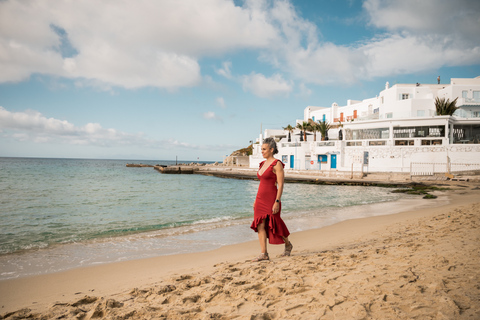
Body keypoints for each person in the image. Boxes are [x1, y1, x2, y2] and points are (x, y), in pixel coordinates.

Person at [250, 137, 292, 261]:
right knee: (260, 226)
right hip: (260, 199)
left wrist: (277, 201)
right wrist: (255, 200)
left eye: (264, 149)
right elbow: (262, 183)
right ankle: (264, 254)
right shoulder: (262, 164)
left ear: (271, 149)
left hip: (272, 199)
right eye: (261, 149)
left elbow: (280, 185)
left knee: (276, 222)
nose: (262, 151)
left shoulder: (277, 164)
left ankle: (288, 244)